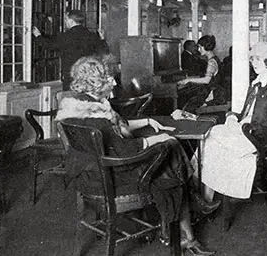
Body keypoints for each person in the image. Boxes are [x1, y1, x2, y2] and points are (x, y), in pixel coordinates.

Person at [55, 56, 217, 256]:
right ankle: (187, 223)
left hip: (90, 175)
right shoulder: (98, 118)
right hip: (113, 178)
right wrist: (157, 140)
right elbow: (125, 150)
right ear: (95, 82)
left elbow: (115, 128)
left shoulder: (78, 106)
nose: (114, 82)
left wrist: (147, 121)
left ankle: (183, 220)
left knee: (168, 154)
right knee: (170, 151)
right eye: (109, 78)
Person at [199, 42, 267, 201]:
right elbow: (248, 112)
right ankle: (205, 198)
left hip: (257, 138)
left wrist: (244, 127)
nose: (253, 63)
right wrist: (234, 117)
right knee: (208, 137)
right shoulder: (258, 83)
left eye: (257, 60)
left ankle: (205, 197)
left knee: (210, 139)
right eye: (252, 60)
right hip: (247, 130)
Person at [33, 9, 109, 91]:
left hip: (71, 76)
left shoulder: (67, 36)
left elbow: (49, 45)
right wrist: (102, 39)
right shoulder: (91, 35)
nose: (65, 22)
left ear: (71, 21)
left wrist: (38, 36)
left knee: (71, 99)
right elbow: (104, 52)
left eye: (66, 19)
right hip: (89, 76)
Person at [178, 35, 226, 111]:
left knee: (188, 107)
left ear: (204, 47)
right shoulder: (215, 59)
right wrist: (190, 78)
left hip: (214, 96)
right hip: (216, 93)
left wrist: (189, 80)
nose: (199, 50)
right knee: (190, 103)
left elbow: (207, 80)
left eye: (200, 47)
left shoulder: (211, 62)